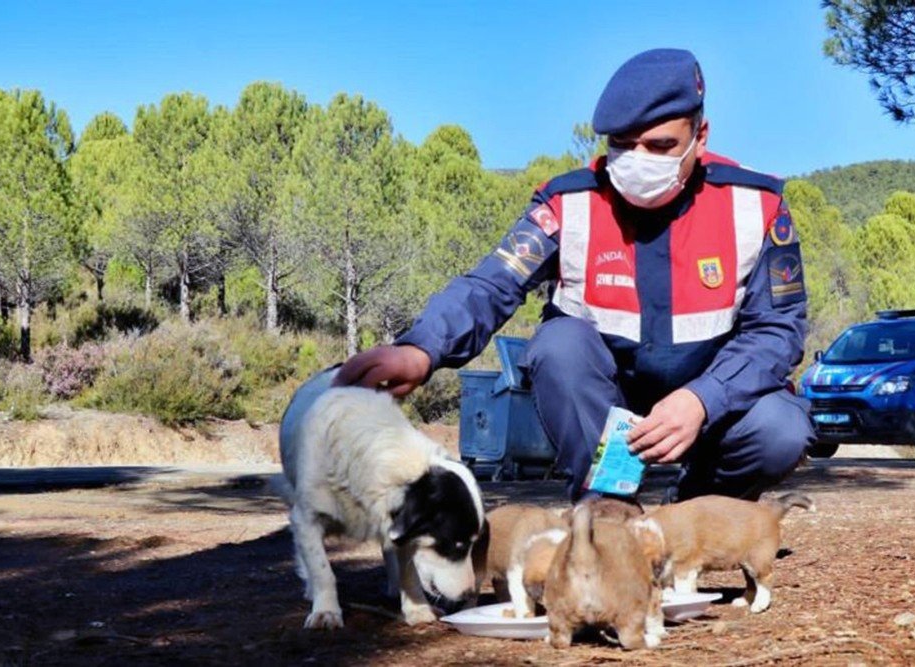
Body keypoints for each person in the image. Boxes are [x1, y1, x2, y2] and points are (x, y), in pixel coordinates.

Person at [335, 48, 815, 502]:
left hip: (712, 400)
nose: (638, 160)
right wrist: (421, 348)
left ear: (701, 136)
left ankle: (696, 514)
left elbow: (777, 330)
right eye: (623, 146)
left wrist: (701, 399)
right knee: (558, 344)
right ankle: (611, 513)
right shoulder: (569, 204)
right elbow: (491, 284)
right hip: (607, 406)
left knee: (780, 430)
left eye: (661, 145)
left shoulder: (757, 205)